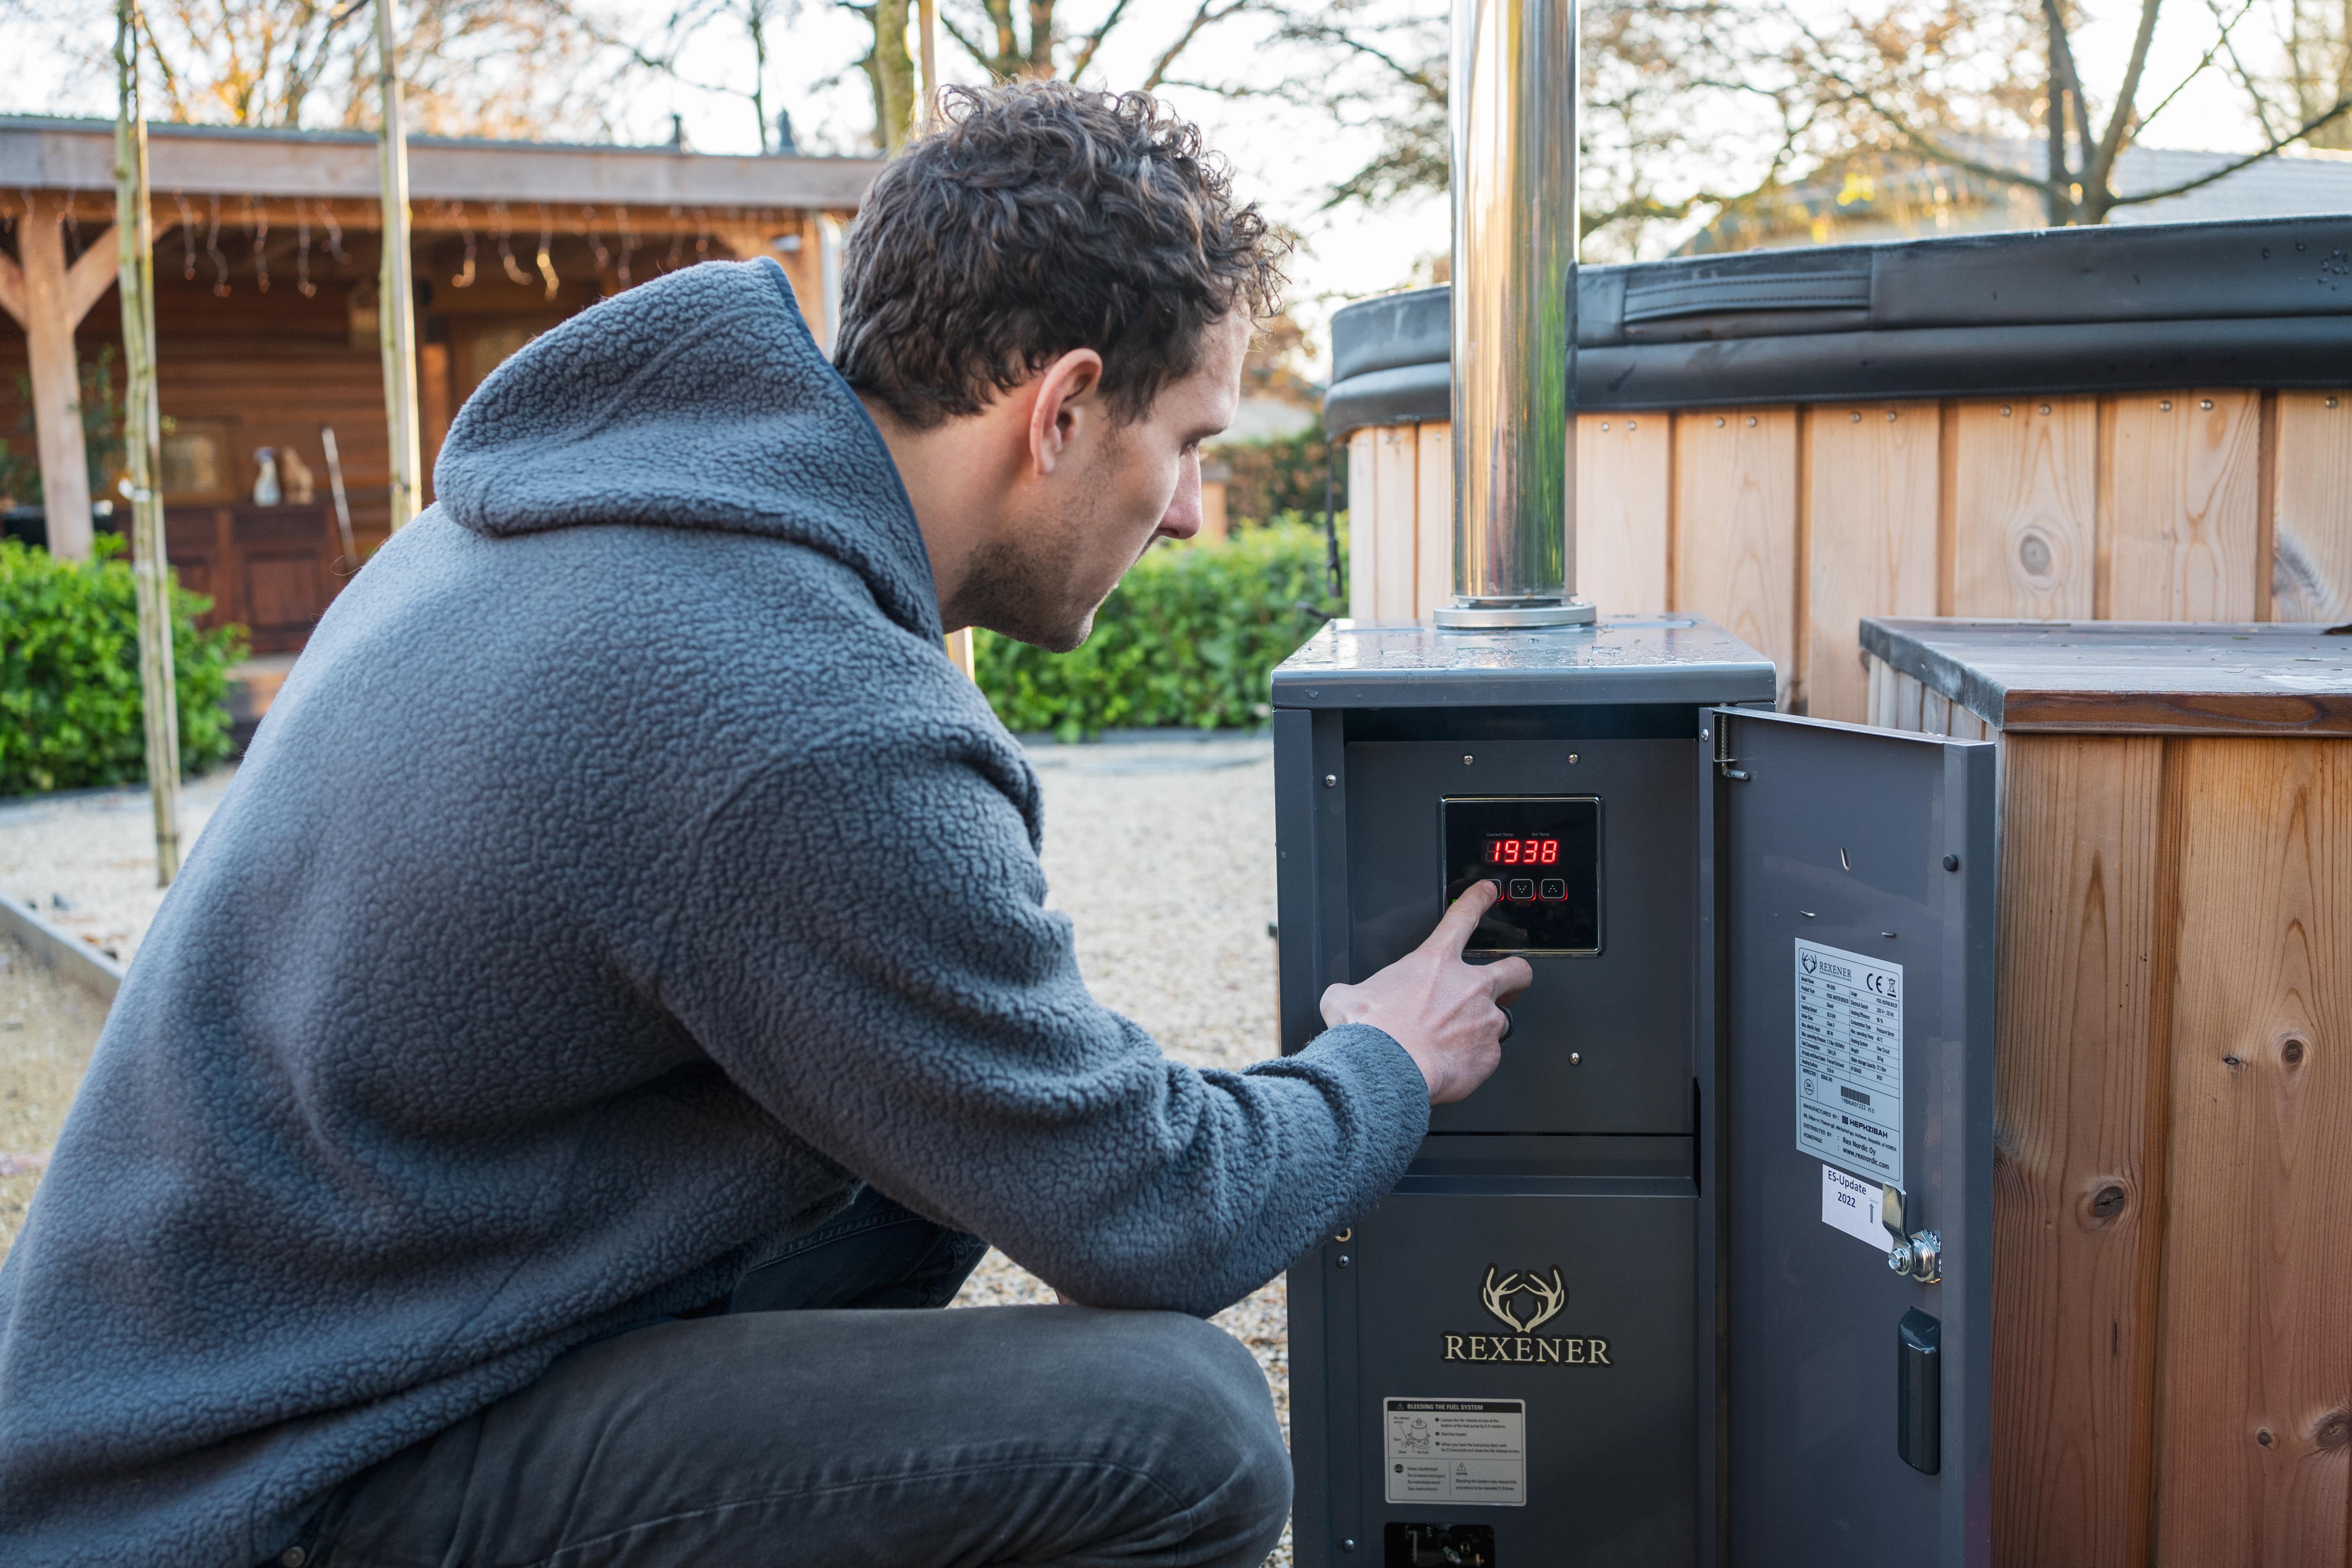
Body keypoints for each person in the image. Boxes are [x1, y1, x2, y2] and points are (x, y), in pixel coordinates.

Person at [0, 83, 1526, 1568]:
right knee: (1184, 1428)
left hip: (210, 1375)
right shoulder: (800, 711)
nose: (1188, 509)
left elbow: (1033, 1113)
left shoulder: (579, 510)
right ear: (1061, 410)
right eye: (1188, 441)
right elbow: (1158, 1212)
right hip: (268, 1484)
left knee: (918, 1181)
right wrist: (1383, 1060)